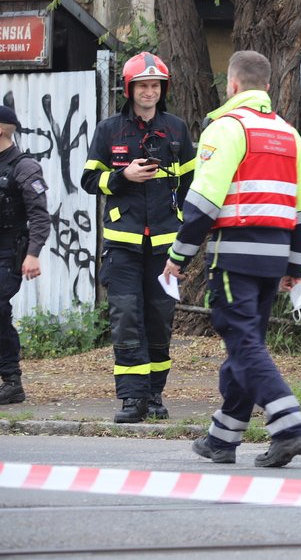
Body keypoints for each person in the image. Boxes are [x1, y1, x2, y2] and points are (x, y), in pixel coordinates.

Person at [163, 50, 301, 468]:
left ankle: (289, 427)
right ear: (266, 88)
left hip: (235, 255)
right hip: (274, 260)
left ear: (232, 86)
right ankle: (222, 437)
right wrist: (295, 267)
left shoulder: (226, 128)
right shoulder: (289, 134)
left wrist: (179, 256)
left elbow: (204, 200)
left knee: (245, 344)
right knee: (246, 346)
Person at [81, 52, 195, 423]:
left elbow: (194, 184)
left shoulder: (176, 129)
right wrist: (121, 177)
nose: (149, 92)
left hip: (164, 246)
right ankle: (132, 400)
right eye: (143, 85)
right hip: (122, 244)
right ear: (130, 90)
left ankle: (155, 396)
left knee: (159, 319)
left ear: (162, 89)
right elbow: (86, 181)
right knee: (126, 318)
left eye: (155, 85)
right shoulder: (109, 130)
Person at [0, 106, 52, 405]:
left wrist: (32, 254)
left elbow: (40, 216)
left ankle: (11, 380)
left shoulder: (24, 167)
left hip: (9, 253)